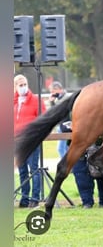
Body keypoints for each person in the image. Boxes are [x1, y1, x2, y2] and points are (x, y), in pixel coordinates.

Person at [59, 121, 103, 208]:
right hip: (79, 150)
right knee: (82, 177)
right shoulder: (71, 109)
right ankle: (87, 203)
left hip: (101, 147)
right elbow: (64, 127)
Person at [14, 74, 46, 208]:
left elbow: (43, 118)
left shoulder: (35, 100)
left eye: (24, 84)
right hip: (17, 141)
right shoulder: (12, 101)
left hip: (31, 140)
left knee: (34, 169)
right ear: (15, 87)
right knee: (22, 171)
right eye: (20, 85)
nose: (23, 87)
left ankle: (35, 198)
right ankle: (25, 198)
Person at [48, 81, 71, 158]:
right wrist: (51, 102)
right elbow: (53, 113)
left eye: (52, 91)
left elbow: (60, 111)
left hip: (67, 125)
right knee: (63, 148)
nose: (52, 93)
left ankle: (65, 165)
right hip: (61, 125)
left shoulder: (67, 97)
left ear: (58, 89)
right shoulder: (57, 99)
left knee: (61, 148)